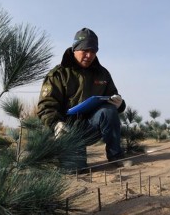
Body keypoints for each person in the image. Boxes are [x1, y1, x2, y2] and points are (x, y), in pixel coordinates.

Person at [37, 27, 128, 169]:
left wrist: (119, 104)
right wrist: (56, 124)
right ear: (75, 49)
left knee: (109, 111)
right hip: (66, 130)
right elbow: (46, 106)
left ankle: (116, 156)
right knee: (75, 170)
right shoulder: (58, 74)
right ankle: (58, 157)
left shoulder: (102, 74)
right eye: (85, 50)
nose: (89, 55)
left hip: (91, 126)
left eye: (93, 51)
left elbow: (113, 97)